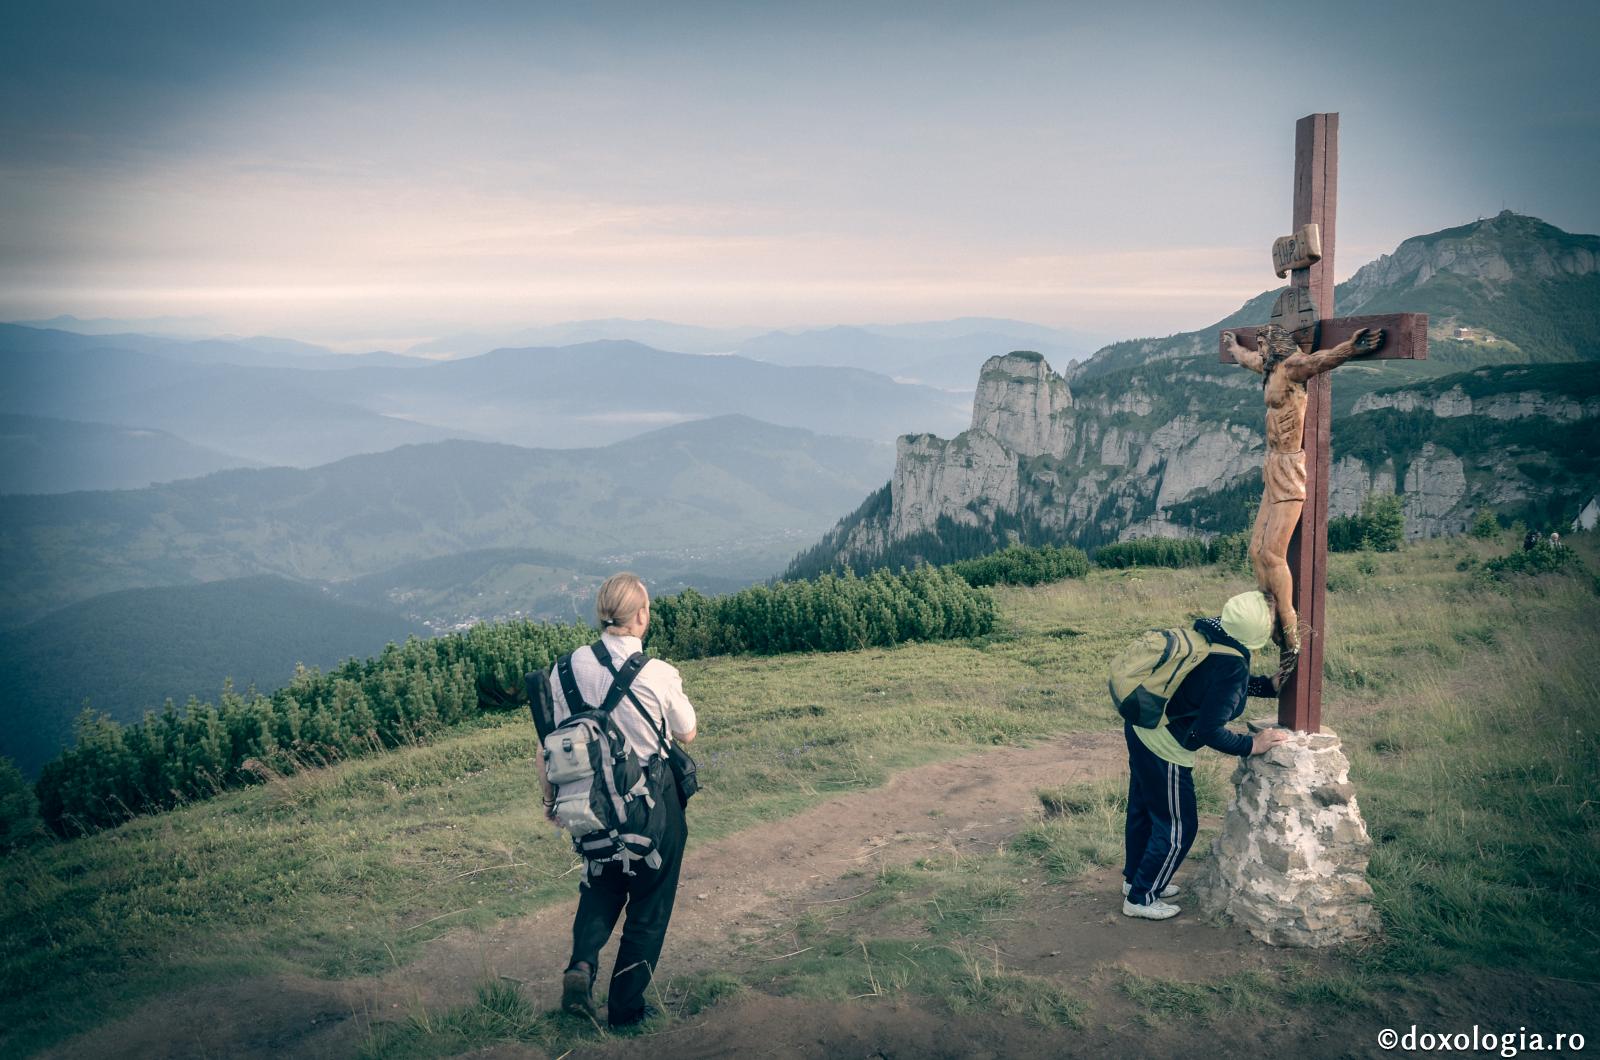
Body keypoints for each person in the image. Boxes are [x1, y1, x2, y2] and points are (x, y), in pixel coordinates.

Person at [540, 573, 698, 1027]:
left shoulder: (564, 669)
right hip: (652, 807)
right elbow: (687, 731)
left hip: (589, 804)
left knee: (601, 882)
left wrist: (550, 800)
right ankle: (626, 1010)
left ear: (602, 613)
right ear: (641, 615)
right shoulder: (657, 672)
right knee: (649, 904)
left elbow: (549, 741)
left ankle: (582, 964)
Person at [1122, 589, 1291, 921]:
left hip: (1142, 726)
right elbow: (1209, 730)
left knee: (1145, 812)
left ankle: (1136, 880)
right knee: (1178, 827)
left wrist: (1265, 686)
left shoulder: (1212, 633)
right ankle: (1141, 898)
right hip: (1165, 746)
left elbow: (1208, 683)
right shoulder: (1232, 664)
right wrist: (1252, 745)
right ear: (1258, 631)